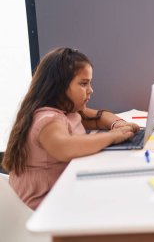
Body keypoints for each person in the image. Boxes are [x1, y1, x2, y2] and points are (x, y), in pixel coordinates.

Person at [2, 47, 140, 210]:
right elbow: (65, 147)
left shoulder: (69, 111)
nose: (91, 90)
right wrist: (113, 136)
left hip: (59, 198)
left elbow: (99, 118)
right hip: (39, 212)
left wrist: (117, 124)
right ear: (58, 86)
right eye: (83, 83)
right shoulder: (47, 120)